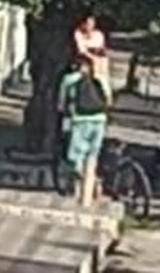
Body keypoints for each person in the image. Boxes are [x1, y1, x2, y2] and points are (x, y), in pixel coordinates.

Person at [58, 54, 110, 207]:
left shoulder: (69, 80)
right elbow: (108, 98)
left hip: (80, 121)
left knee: (75, 157)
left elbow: (61, 104)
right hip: (100, 120)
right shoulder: (99, 78)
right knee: (92, 156)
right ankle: (91, 185)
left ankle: (86, 186)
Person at [74, 13, 112, 106]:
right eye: (88, 23)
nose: (90, 26)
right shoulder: (78, 33)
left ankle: (107, 97)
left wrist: (96, 56)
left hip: (99, 60)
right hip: (84, 60)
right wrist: (91, 56)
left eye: (92, 23)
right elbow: (81, 50)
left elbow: (100, 48)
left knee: (103, 78)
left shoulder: (98, 34)